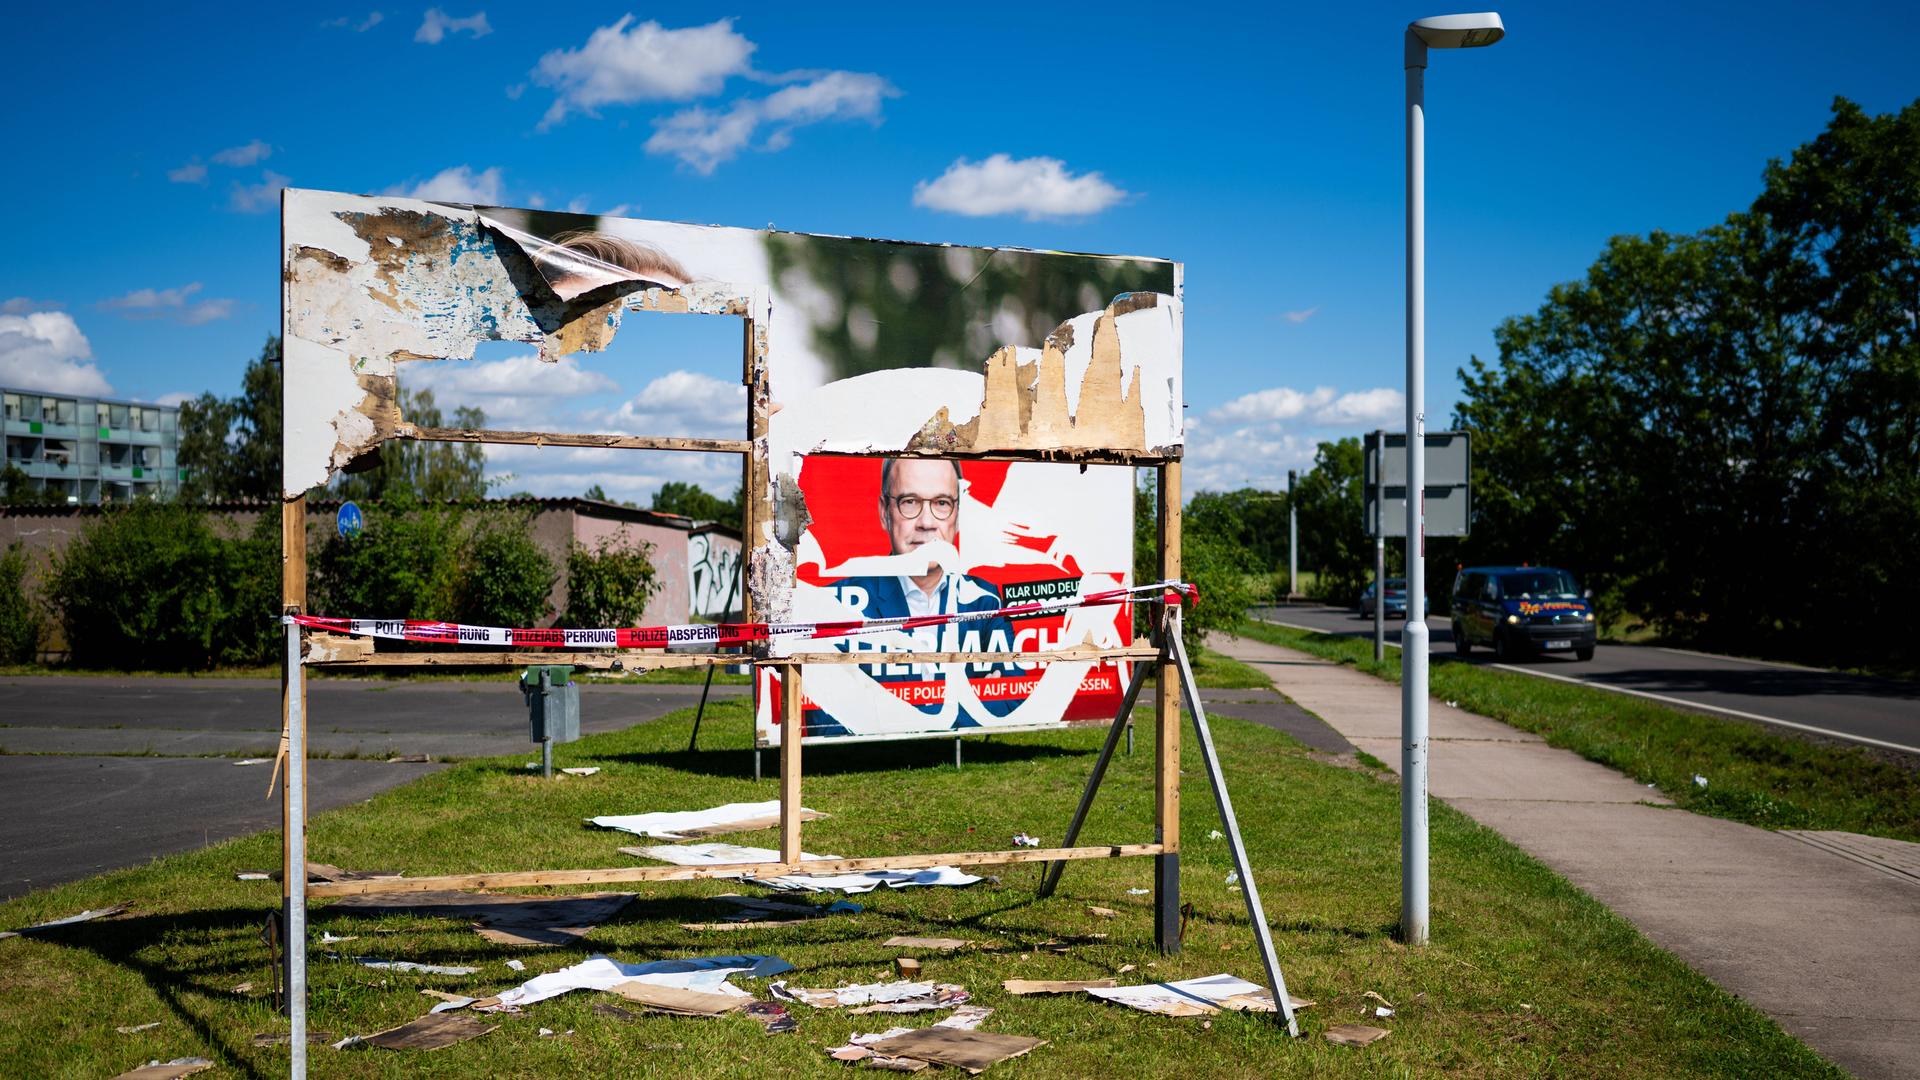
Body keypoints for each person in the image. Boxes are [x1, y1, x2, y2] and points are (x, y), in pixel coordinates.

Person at [827, 457, 1023, 721]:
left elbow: (1012, 702)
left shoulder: (986, 602)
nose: (926, 522)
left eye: (941, 503)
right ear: (885, 512)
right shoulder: (839, 604)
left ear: (958, 514)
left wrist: (886, 711)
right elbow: (827, 717)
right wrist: (965, 707)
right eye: (910, 502)